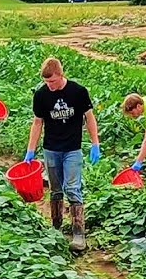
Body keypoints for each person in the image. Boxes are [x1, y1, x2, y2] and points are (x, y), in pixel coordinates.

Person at [25, 57, 101, 253]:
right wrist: (30, 150)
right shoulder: (41, 95)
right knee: (56, 189)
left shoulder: (78, 92)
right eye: (46, 82)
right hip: (51, 148)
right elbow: (37, 122)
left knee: (73, 188)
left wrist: (95, 143)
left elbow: (89, 118)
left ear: (61, 74)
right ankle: (56, 227)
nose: (49, 85)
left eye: (53, 81)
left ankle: (78, 232)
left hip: (72, 149)